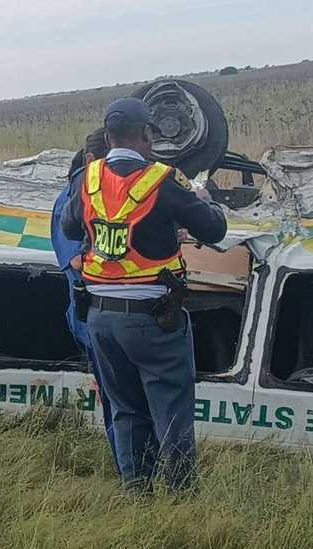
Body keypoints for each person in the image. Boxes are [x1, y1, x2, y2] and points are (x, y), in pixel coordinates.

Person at [61, 97, 227, 492]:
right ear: (147, 135)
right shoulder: (162, 180)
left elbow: (71, 229)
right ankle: (181, 496)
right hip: (154, 317)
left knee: (125, 409)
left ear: (107, 136)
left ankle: (136, 492)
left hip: (100, 317)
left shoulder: (89, 178)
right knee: (172, 410)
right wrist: (206, 202)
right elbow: (215, 231)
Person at [51, 129, 117, 467]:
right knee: (119, 401)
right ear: (92, 161)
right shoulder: (75, 197)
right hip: (94, 316)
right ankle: (129, 470)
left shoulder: (95, 192)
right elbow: (77, 259)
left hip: (104, 316)